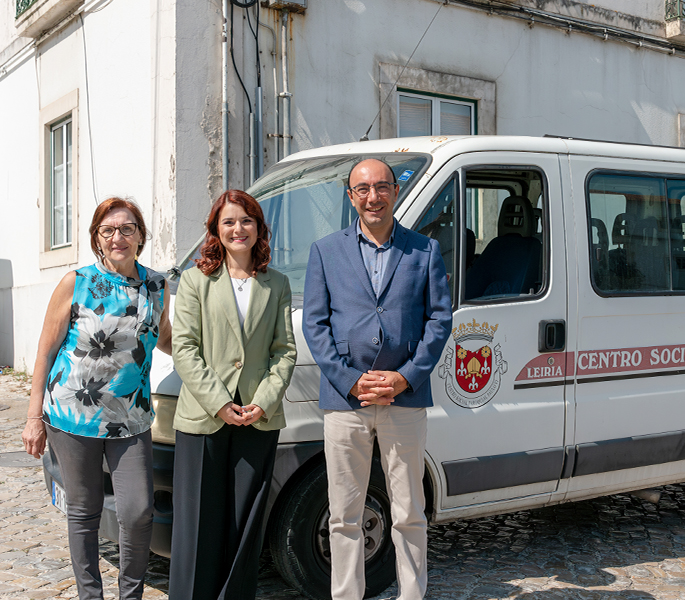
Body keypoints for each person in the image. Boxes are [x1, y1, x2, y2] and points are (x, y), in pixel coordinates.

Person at [303, 159, 452, 600]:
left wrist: (405, 378)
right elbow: (316, 325)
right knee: (344, 512)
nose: (373, 196)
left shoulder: (424, 250)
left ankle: (412, 594)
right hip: (346, 401)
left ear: (395, 192)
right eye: (363, 188)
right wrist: (350, 380)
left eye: (382, 186)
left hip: (403, 399)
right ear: (351, 196)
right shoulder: (326, 251)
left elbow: (439, 320)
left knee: (409, 509)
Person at [21, 197, 171, 600]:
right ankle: (91, 595)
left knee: (138, 512)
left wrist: (214, 352)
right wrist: (34, 416)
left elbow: (167, 338)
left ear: (141, 235)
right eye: (108, 230)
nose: (117, 237)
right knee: (84, 513)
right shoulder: (77, 281)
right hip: (72, 416)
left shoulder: (157, 285)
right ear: (97, 239)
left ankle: (130, 594)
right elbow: (46, 349)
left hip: (132, 418)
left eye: (127, 229)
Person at [169, 189, 296, 600]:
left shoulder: (276, 283)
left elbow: (285, 350)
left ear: (259, 228)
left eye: (246, 220)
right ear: (216, 230)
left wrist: (264, 400)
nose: (238, 228)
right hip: (205, 417)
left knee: (245, 522)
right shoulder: (194, 280)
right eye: (228, 221)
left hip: (257, 417)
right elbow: (184, 348)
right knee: (198, 524)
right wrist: (219, 402)